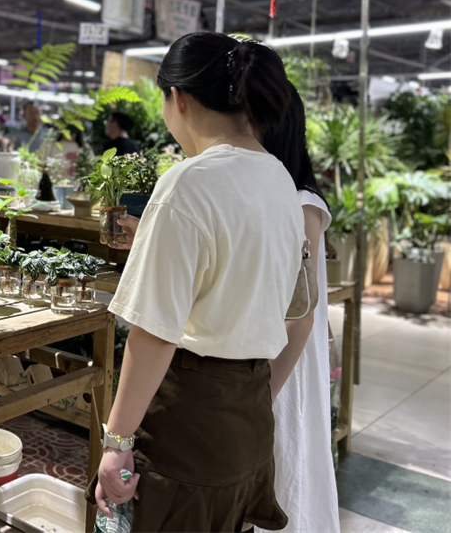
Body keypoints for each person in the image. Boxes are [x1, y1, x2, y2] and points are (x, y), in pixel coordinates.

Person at [95, 32, 306, 533]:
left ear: (179, 99)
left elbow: (156, 332)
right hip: (250, 419)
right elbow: (278, 297)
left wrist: (117, 442)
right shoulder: (280, 179)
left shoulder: (187, 182)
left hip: (187, 422)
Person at [259, 87, 341, 533]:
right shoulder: (273, 196)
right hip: (270, 353)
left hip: (284, 363)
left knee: (285, 464)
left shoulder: (302, 202)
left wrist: (263, 393)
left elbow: (301, 313)